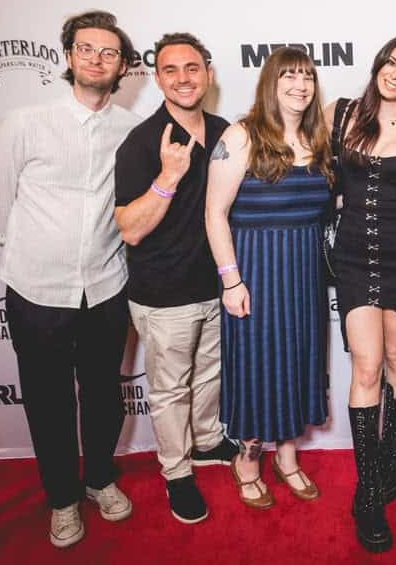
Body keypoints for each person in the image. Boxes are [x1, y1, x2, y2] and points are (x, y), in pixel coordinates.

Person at [0, 10, 140, 548]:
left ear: (123, 66)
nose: (97, 58)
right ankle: (62, 499)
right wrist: (38, 254)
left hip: (105, 285)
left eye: (110, 52)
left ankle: (99, 479)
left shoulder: (130, 130)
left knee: (104, 396)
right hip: (36, 290)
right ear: (68, 56)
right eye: (86, 48)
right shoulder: (26, 122)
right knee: (47, 401)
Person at [113, 32, 238, 525]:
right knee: (169, 390)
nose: (184, 79)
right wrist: (168, 175)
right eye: (171, 70)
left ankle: (206, 440)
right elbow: (130, 230)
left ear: (208, 72)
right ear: (158, 77)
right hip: (164, 293)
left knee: (208, 376)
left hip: (215, 285)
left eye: (192, 68)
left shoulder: (225, 129)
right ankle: (176, 472)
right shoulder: (143, 142)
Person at [205, 47, 334, 511]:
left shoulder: (318, 139)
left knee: (298, 363)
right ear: (270, 83)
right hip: (257, 271)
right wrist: (231, 281)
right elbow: (214, 213)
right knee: (259, 366)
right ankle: (248, 458)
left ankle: (287, 453)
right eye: (290, 77)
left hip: (303, 273)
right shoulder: (241, 136)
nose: (300, 86)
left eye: (307, 77)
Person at [324, 35, 396, 553]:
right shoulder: (340, 112)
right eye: (391, 62)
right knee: (365, 367)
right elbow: (305, 162)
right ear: (378, 64)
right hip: (351, 257)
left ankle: (390, 449)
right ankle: (368, 490)